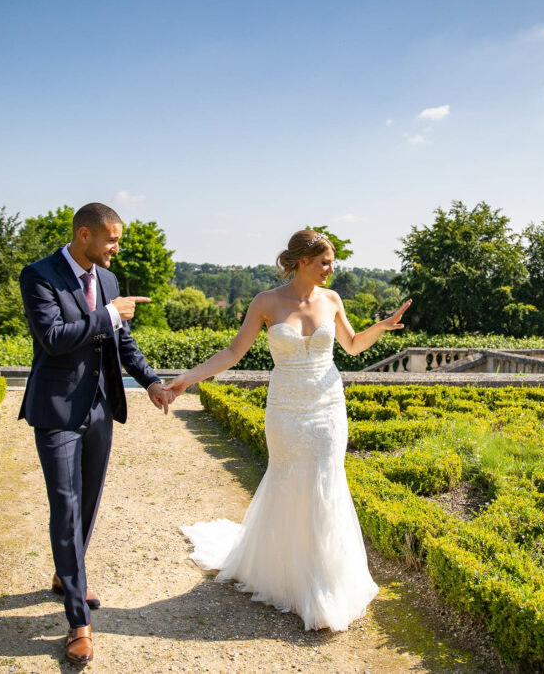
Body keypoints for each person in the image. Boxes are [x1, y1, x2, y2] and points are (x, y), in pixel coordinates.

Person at [165, 229, 411, 631]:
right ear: (301, 261)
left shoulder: (332, 300)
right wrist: (187, 379)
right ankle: (286, 576)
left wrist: (380, 327)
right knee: (289, 481)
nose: (331, 270)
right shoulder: (266, 302)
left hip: (328, 406)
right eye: (325, 262)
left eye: (332, 262)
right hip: (286, 408)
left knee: (326, 482)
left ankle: (324, 582)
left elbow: (351, 346)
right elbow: (232, 352)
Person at [18, 202, 175, 664]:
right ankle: (78, 623)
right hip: (57, 409)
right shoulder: (39, 275)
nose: (116, 248)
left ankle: (66, 576)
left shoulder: (107, 280)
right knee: (65, 506)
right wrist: (108, 314)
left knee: (87, 503)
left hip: (102, 407)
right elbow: (54, 337)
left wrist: (150, 382)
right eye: (111, 239)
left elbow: (121, 341)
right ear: (84, 235)